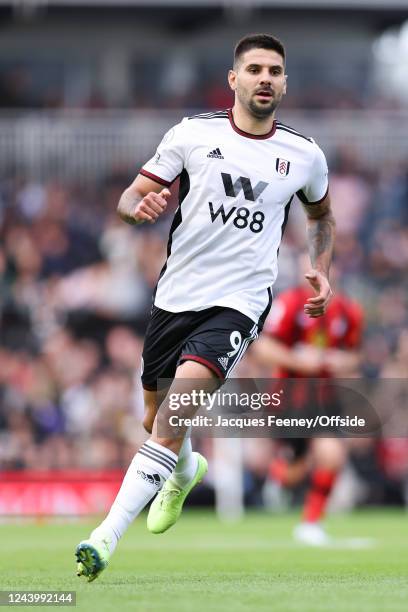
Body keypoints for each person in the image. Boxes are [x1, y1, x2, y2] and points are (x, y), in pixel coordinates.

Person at [76, 32, 335, 581]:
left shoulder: (304, 155)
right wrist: (136, 209)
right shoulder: (192, 135)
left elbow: (321, 217)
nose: (266, 78)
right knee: (155, 418)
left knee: (170, 418)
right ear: (234, 79)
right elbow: (128, 198)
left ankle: (104, 537)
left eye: (275, 71)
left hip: (239, 303)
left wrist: (320, 267)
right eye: (256, 69)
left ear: (284, 83)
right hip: (175, 299)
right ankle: (186, 466)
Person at [252, 257, 363, 545]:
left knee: (331, 455)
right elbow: (262, 347)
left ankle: (311, 523)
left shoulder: (349, 311)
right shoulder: (289, 303)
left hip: (325, 400)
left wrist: (339, 362)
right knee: (295, 470)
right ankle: (279, 475)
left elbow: (355, 356)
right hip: (290, 399)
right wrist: (300, 361)